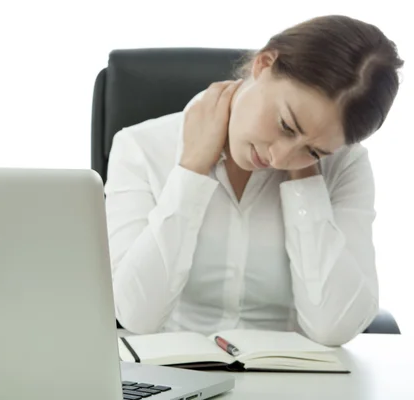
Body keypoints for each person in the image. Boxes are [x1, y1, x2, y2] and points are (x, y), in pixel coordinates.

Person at [104, 15, 404, 346]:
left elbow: (333, 327)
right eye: (287, 125)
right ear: (263, 64)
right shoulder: (142, 147)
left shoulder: (345, 167)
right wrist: (191, 171)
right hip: (177, 379)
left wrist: (305, 179)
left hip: (296, 385)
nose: (279, 158)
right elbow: (135, 314)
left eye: (315, 150)